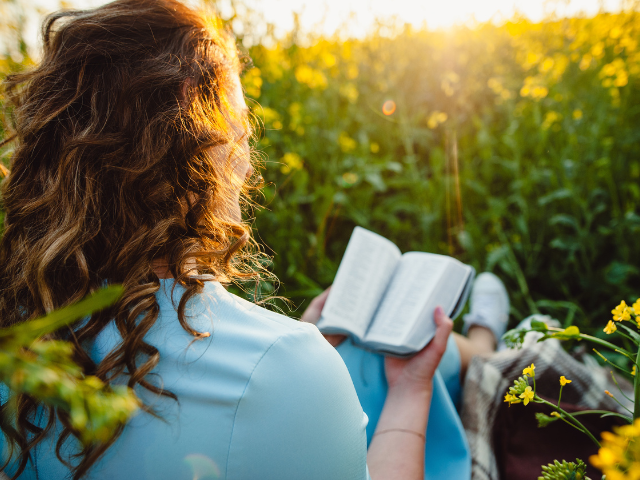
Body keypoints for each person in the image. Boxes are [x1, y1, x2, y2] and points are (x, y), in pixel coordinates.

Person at [0, 1, 463, 479]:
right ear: (196, 150)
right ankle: (486, 340)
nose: (247, 160)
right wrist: (411, 390)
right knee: (410, 362)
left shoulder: (16, 336)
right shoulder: (292, 369)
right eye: (239, 131)